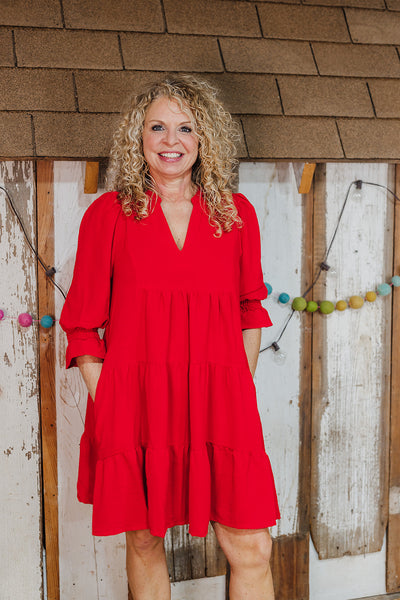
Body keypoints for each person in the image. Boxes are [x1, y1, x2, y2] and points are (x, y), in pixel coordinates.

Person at [59, 75, 280, 600]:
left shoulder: (235, 213)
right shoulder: (108, 215)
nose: (170, 140)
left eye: (185, 127)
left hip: (221, 400)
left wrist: (237, 384)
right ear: (138, 138)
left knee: (252, 548)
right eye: (157, 127)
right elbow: (82, 323)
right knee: (143, 542)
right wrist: (109, 397)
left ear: (204, 138)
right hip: (135, 403)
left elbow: (251, 307)